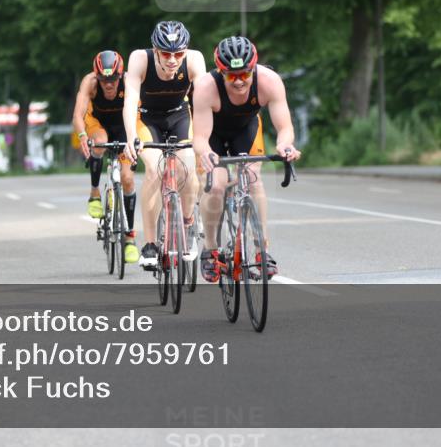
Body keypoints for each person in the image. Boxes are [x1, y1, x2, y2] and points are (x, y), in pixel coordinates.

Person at [192, 36, 301, 282]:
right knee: (217, 185)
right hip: (213, 135)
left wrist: (285, 146)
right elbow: (200, 137)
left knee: (253, 181)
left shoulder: (269, 81)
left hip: (246, 130)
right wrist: (206, 153)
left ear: (253, 67)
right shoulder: (206, 87)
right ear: (221, 72)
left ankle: (262, 250)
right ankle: (210, 250)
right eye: (232, 76)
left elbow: (285, 128)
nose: (240, 80)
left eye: (245, 73)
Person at [123, 21, 206, 270]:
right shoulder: (139, 59)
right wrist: (130, 138)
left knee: (189, 170)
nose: (172, 60)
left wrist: (205, 139)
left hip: (180, 116)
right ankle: (149, 244)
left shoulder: (194, 59)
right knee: (153, 170)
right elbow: (129, 101)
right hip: (146, 118)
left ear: (185, 50)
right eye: (166, 54)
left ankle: (189, 223)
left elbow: (202, 102)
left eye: (178, 54)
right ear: (155, 50)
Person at [72, 50, 139, 264]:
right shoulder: (90, 82)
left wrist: (134, 140)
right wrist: (82, 135)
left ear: (120, 75)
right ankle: (94, 194)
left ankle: (129, 238)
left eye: (112, 79)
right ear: (97, 76)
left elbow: (140, 112)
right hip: (98, 122)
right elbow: (78, 114)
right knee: (99, 143)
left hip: (123, 125)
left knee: (128, 179)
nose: (108, 84)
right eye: (103, 79)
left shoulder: (128, 82)